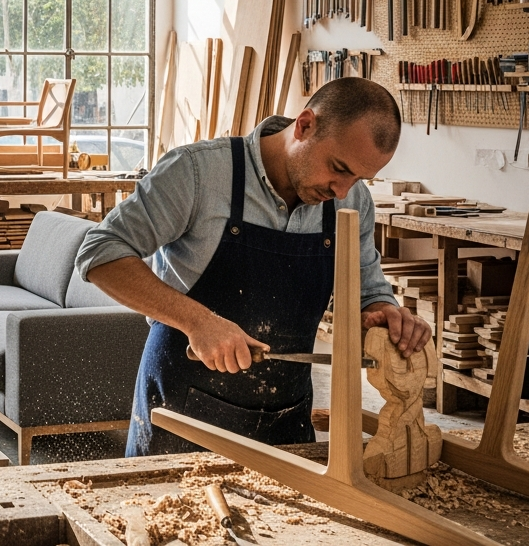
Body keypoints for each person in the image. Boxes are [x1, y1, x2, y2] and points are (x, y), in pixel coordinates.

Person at [76, 77, 430, 456]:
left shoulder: (352, 202)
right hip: (182, 416)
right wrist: (198, 321)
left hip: (285, 421)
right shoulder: (199, 173)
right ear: (305, 125)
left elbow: (368, 290)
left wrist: (384, 312)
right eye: (338, 168)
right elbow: (100, 253)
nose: (342, 190)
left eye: (358, 178)